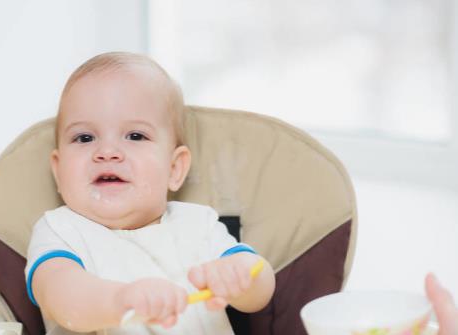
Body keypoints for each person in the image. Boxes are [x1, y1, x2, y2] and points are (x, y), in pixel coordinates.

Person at [24, 52, 276, 335]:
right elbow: (63, 297)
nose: (107, 152)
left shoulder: (198, 225)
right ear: (58, 171)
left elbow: (260, 290)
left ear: (174, 168)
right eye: (84, 138)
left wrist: (241, 277)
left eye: (135, 136)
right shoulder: (60, 231)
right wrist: (120, 301)